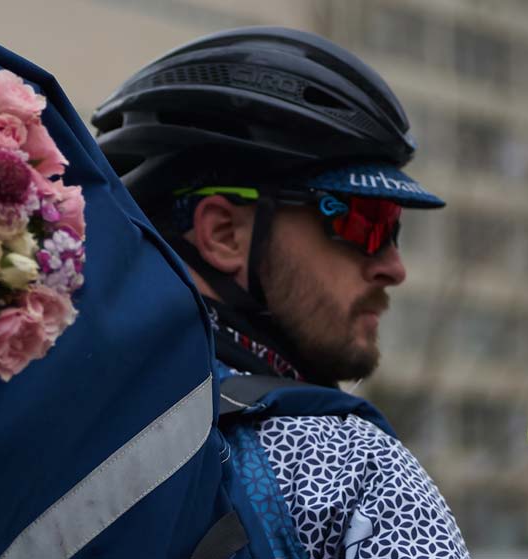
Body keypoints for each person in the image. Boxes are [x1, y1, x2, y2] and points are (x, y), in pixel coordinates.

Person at [93, 27, 470, 558]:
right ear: (224, 233)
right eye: (364, 221)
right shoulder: (356, 472)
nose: (393, 266)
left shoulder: (48, 422)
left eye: (393, 227)